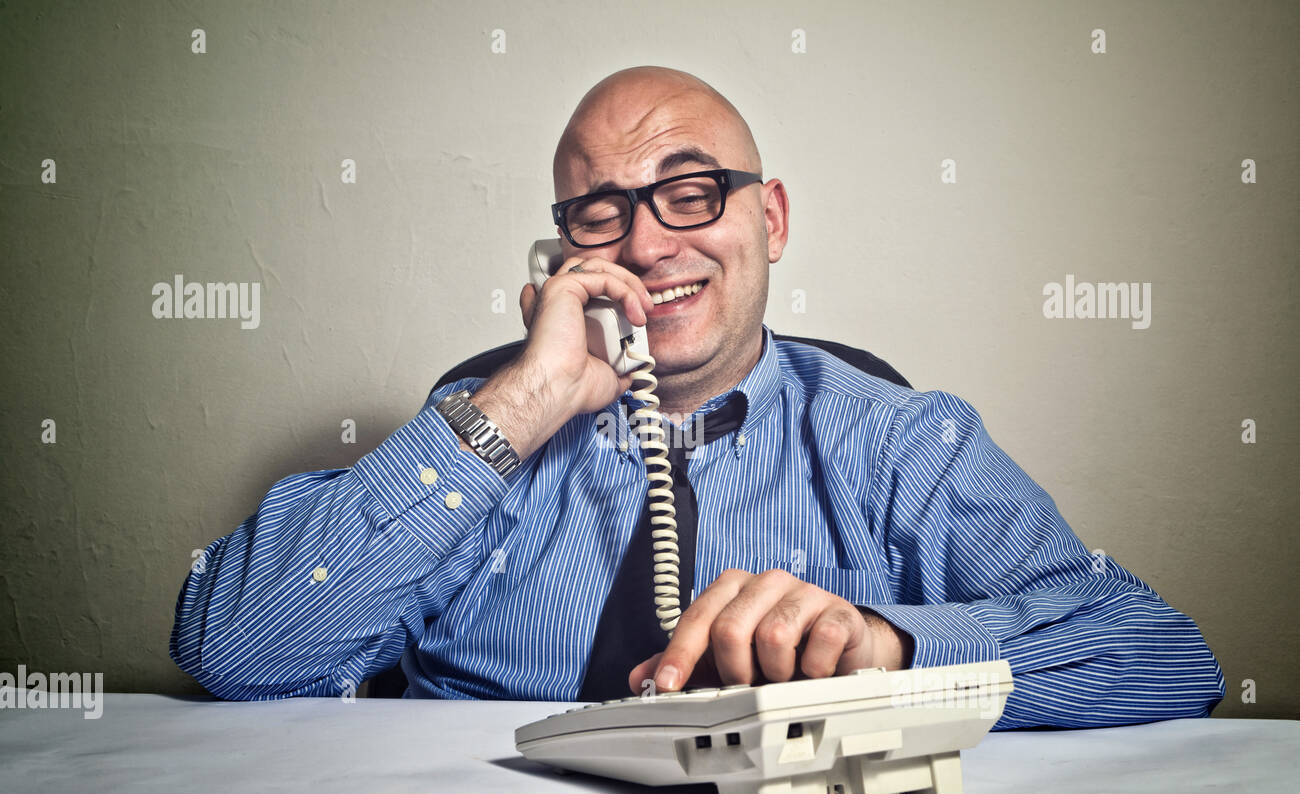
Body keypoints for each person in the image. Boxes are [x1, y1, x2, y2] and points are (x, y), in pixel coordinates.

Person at [170, 66, 1225, 728]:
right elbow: (235, 651)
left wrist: (887, 652)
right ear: (559, 249)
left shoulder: (903, 439)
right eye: (599, 212)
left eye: (689, 192)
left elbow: (1163, 656)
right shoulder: (482, 430)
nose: (645, 242)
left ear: (767, 218)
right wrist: (518, 408)